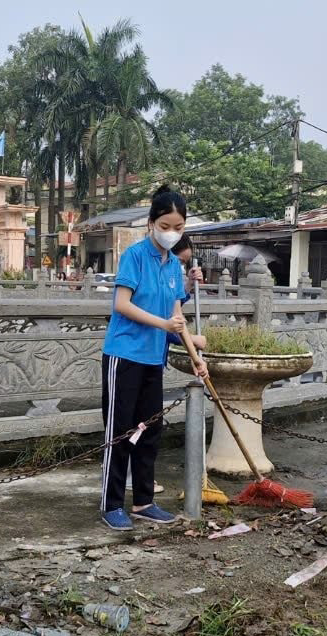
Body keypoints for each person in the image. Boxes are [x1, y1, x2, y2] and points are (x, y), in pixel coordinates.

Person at [101, 185, 208, 531]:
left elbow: (177, 316)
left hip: (153, 358)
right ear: (150, 223)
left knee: (149, 431)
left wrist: (194, 354)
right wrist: (163, 323)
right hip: (124, 355)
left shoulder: (173, 267)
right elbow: (122, 304)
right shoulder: (134, 256)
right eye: (164, 226)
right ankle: (112, 503)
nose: (170, 233)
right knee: (120, 431)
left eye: (177, 227)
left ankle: (144, 501)